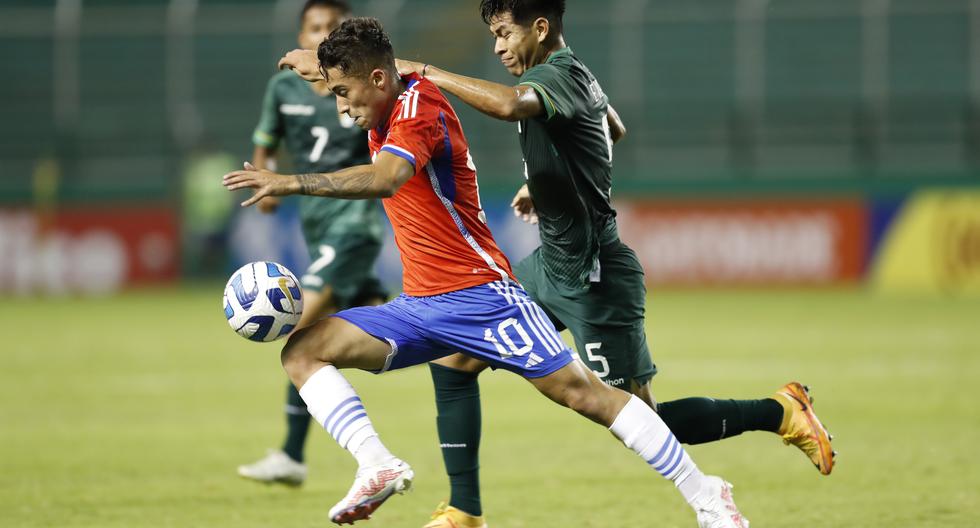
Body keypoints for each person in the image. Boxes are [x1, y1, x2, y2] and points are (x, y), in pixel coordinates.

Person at [226, 17, 749, 527]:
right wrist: (308, 63)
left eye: (344, 92)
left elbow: (387, 178)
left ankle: (707, 493)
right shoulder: (377, 89)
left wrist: (292, 181)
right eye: (333, 91)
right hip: (421, 305)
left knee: (585, 395)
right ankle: (377, 464)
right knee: (302, 351)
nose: (340, 106)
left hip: (482, 296)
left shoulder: (419, 107)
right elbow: (349, 74)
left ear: (380, 79)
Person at [390, 1, 836, 526]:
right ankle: (465, 512)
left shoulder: (555, 75)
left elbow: (511, 106)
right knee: (455, 356)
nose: (497, 46)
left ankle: (779, 411)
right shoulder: (572, 75)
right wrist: (550, 179)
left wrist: (427, 71)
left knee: (641, 421)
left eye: (505, 33)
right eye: (493, 34)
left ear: (540, 27)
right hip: (550, 266)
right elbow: (611, 128)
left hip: (594, 273)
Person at [236, 0, 387, 487]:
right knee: (364, 329)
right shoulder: (282, 87)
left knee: (302, 333)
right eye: (314, 29)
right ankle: (395, 318)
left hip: (356, 218)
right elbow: (267, 136)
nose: (322, 36)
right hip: (314, 218)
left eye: (331, 30)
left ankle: (292, 454)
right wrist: (262, 176)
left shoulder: (360, 86)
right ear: (302, 35)